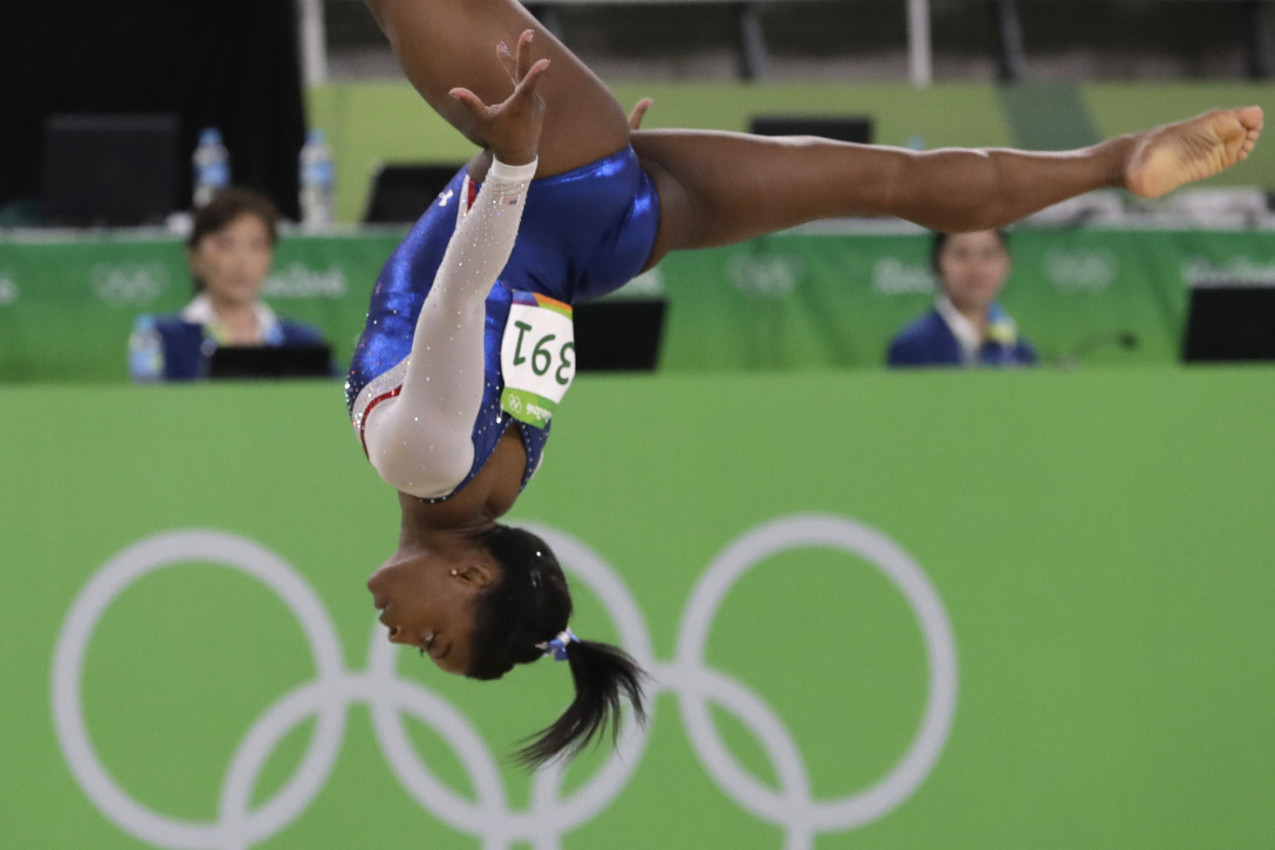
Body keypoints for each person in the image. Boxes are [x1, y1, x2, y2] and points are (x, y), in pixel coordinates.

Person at [348, 0, 1262, 767]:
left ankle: (1112, 162)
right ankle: (1117, 163)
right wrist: (515, 164)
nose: (402, 641)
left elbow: (517, 321)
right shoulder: (428, 464)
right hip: (553, 181)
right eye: (437, 636)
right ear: (471, 569)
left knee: (884, 183)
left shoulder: (497, 483)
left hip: (606, 236)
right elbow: (461, 299)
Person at [128, 187, 331, 381]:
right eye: (226, 244)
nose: (242, 261)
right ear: (194, 256)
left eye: (256, 245)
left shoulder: (303, 342)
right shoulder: (160, 339)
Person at [887, 229, 1038, 368]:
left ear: (1007, 262)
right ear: (937, 261)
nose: (975, 268)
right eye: (961, 254)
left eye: (988, 254)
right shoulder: (912, 347)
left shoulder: (1019, 351)